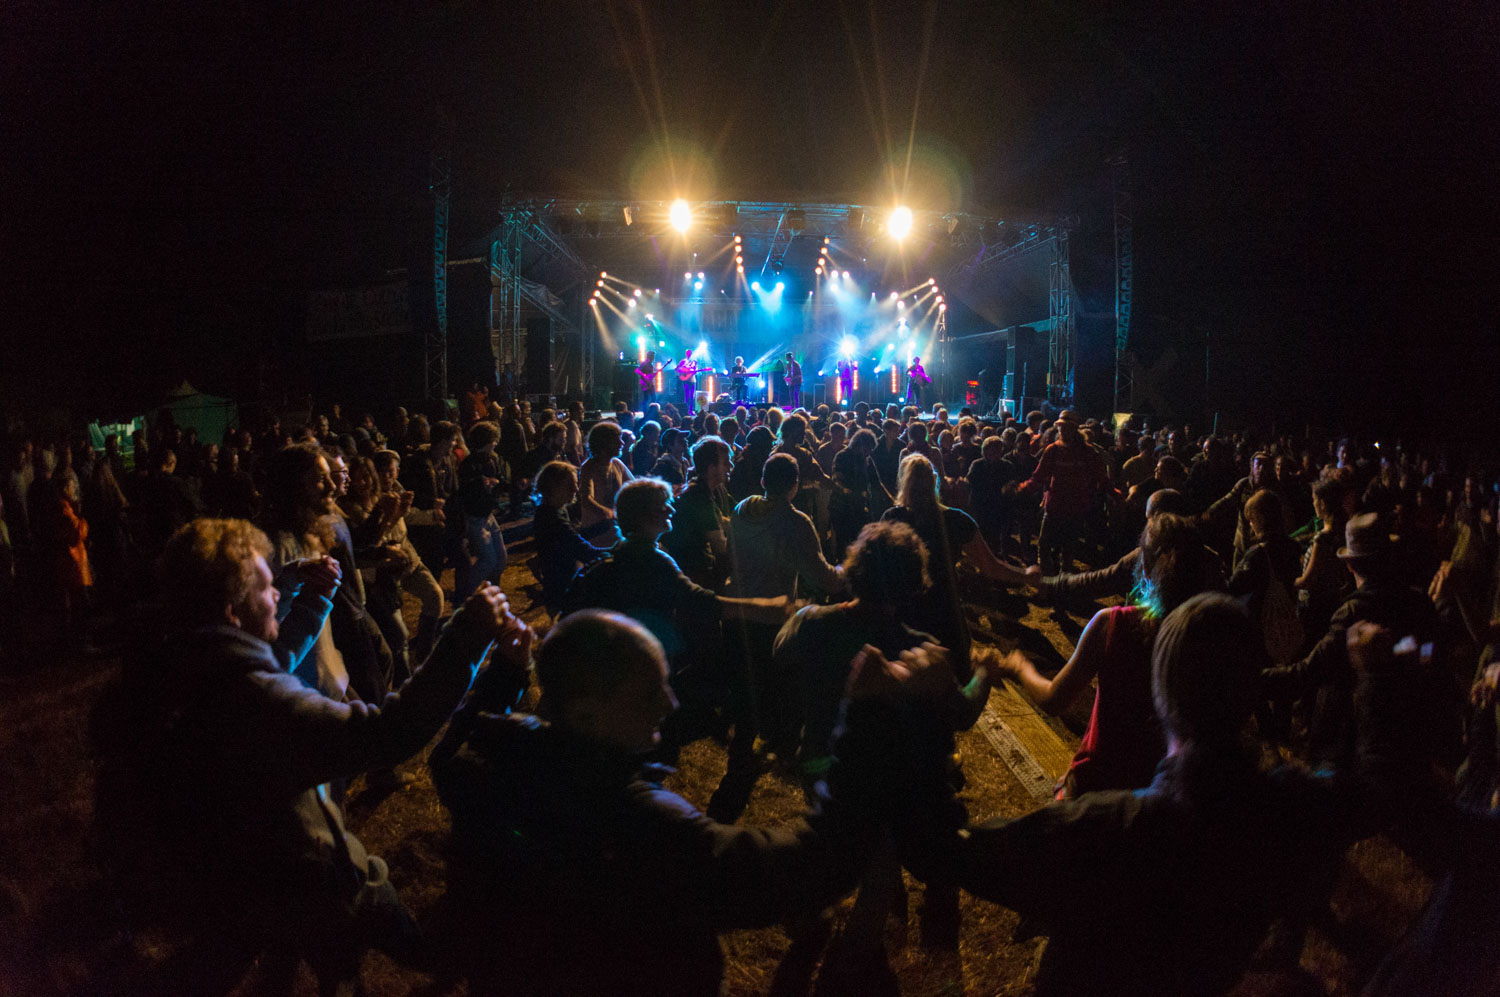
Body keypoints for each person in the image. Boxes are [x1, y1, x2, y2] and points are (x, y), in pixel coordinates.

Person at [430, 608, 965, 995]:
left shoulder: (501, 766)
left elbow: (446, 756)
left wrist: (503, 673)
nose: (669, 702)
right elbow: (811, 865)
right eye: (647, 693)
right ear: (588, 714)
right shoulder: (641, 828)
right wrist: (869, 716)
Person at [956, 596, 1425, 996]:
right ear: (1249, 693)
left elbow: (957, 851)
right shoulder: (1286, 808)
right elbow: (1375, 791)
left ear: (1160, 696)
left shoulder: (1108, 826)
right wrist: (1376, 682)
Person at [134, 518, 526, 992]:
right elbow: (387, 733)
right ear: (232, 610)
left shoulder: (184, 668)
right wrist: (466, 637)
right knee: (365, 949)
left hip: (242, 876)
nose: (278, 593)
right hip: (308, 881)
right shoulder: (256, 705)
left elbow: (269, 661)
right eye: (267, 586)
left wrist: (313, 596)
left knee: (272, 954)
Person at [999, 513, 1219, 798]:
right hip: (1165, 793)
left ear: (1145, 570)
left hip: (1100, 785)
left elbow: (1054, 699)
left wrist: (1020, 668)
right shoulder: (1211, 636)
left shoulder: (1113, 625)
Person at [883, 454, 1038, 672]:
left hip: (904, 614)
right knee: (951, 684)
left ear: (904, 483)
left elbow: (880, 569)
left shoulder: (892, 517)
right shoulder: (957, 520)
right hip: (945, 614)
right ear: (935, 482)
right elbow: (990, 566)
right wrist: (1025, 575)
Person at [1018, 409, 1110, 574]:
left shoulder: (1087, 452)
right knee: (1045, 546)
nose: (1061, 430)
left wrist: (1114, 494)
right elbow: (1039, 477)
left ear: (1074, 429)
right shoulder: (1053, 450)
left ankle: (1061, 583)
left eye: (1065, 427)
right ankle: (1048, 581)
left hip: (1074, 509)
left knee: (1067, 549)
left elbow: (1101, 478)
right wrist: (1022, 489)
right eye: (1060, 427)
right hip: (1055, 507)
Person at [530, 461, 609, 613]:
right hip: (561, 590)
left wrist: (603, 526)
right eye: (571, 485)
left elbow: (571, 537)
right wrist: (623, 550)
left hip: (559, 585)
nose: (576, 489)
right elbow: (584, 551)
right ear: (555, 487)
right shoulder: (552, 518)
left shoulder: (554, 510)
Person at [661, 436, 733, 590]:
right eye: (725, 462)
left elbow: (721, 521)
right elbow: (720, 546)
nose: (730, 466)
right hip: (694, 577)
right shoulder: (699, 497)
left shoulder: (698, 489)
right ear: (711, 467)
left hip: (687, 572)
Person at [577, 419, 632, 540]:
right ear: (606, 442)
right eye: (618, 439)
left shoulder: (617, 463)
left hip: (614, 527)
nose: (622, 443)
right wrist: (610, 513)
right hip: (598, 531)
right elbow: (586, 499)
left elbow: (634, 487)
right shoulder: (589, 467)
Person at [676, 349, 699, 414]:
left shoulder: (694, 361)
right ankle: (686, 410)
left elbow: (696, 370)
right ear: (686, 354)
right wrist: (683, 370)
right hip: (685, 380)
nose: (689, 354)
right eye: (687, 353)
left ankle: (691, 410)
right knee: (686, 395)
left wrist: (692, 370)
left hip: (692, 380)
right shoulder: (683, 361)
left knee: (692, 396)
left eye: (690, 353)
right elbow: (677, 368)